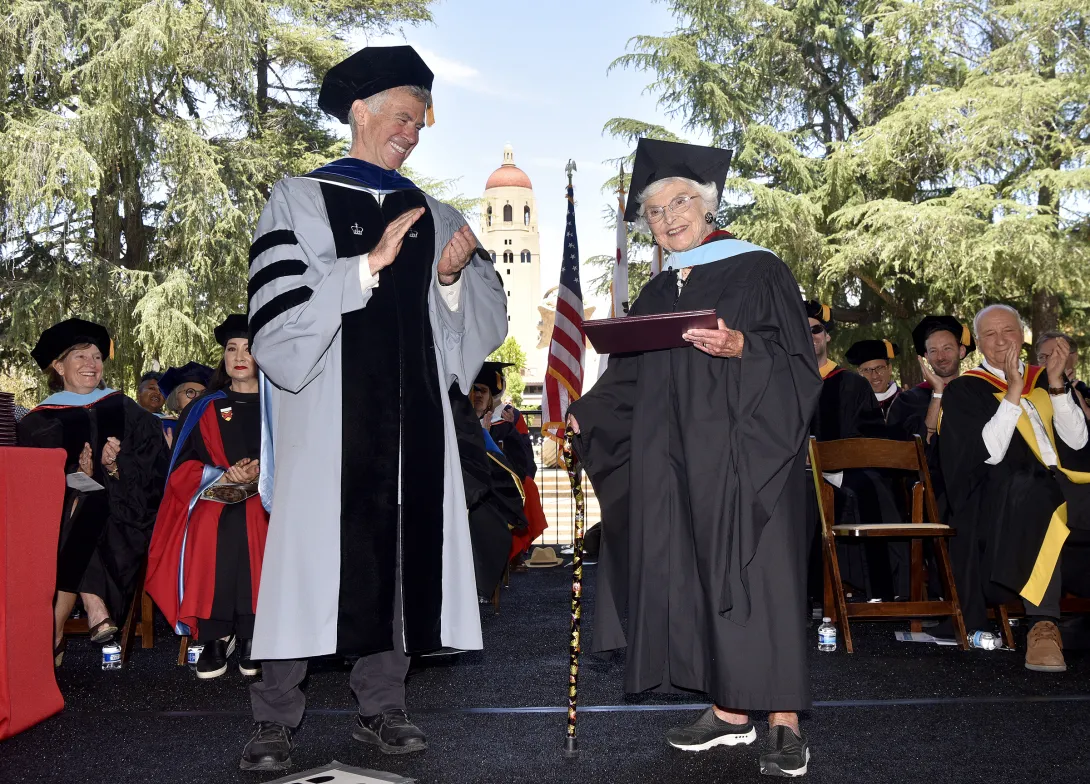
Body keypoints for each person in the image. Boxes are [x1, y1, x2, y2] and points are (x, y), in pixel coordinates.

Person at [241, 45, 506, 772]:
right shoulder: (297, 198)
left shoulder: (435, 212)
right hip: (328, 421)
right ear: (359, 113)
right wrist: (363, 268)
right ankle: (274, 716)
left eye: (420, 123)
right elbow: (277, 322)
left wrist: (449, 278)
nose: (412, 132)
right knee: (305, 561)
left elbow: (472, 334)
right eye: (401, 117)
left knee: (397, 559)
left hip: (413, 425)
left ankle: (384, 708)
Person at [567, 138, 821, 778]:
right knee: (701, 574)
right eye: (654, 210)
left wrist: (743, 350)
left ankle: (784, 721)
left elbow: (797, 365)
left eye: (680, 201)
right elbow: (626, 381)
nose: (668, 217)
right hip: (679, 462)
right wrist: (583, 413)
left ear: (708, 206)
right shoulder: (655, 293)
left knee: (761, 578)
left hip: (749, 457)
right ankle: (730, 712)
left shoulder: (760, 270)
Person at [940, 304, 1090, 672]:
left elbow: (1079, 444)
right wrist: (1012, 393)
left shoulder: (1047, 378)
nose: (1000, 340)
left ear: (1021, 336)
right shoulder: (965, 390)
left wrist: (1057, 386)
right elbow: (986, 455)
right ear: (977, 344)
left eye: (1007, 331)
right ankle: (1043, 626)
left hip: (1066, 486)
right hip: (1005, 504)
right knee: (1035, 490)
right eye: (989, 335)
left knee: (1050, 487)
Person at [16, 318, 168, 666]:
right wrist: (72, 476)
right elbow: (31, 486)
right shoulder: (38, 421)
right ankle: (93, 604)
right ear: (58, 365)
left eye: (97, 357)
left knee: (90, 501)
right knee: (83, 500)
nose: (91, 365)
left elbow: (155, 471)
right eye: (80, 356)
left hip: (124, 519)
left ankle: (54, 633)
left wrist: (115, 467)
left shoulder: (126, 410)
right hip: (59, 521)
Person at [145, 315, 268, 680]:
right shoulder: (204, 407)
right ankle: (215, 634)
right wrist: (223, 475)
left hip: (270, 496)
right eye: (231, 348)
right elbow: (180, 468)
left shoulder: (282, 405)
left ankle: (252, 634)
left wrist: (263, 470)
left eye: (248, 348)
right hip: (214, 495)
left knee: (255, 519)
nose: (239, 355)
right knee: (214, 521)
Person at [805, 304, 904, 601]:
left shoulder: (852, 384)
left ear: (827, 336)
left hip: (843, 472)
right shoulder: (782, 382)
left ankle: (878, 592)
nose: (810, 336)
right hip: (796, 475)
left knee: (870, 489)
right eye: (802, 330)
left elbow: (869, 438)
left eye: (816, 329)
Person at [887, 315, 974, 518]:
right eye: (933, 351)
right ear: (925, 356)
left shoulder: (976, 393)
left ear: (961, 351)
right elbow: (915, 457)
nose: (941, 357)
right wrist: (937, 393)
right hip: (932, 490)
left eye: (947, 348)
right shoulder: (908, 401)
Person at [469, 361, 548, 562]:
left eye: (484, 391)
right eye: (474, 390)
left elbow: (521, 462)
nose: (478, 395)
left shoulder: (507, 420)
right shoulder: (460, 421)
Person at [1037, 331, 1090, 422]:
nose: (1048, 362)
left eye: (1056, 355)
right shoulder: (1030, 393)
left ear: (1074, 358)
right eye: (1042, 357)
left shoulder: (1085, 393)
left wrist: (1080, 402)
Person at [845, 339, 901, 422]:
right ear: (860, 373)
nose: (874, 376)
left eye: (879, 368)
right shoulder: (851, 407)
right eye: (867, 370)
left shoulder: (907, 401)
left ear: (889, 369)